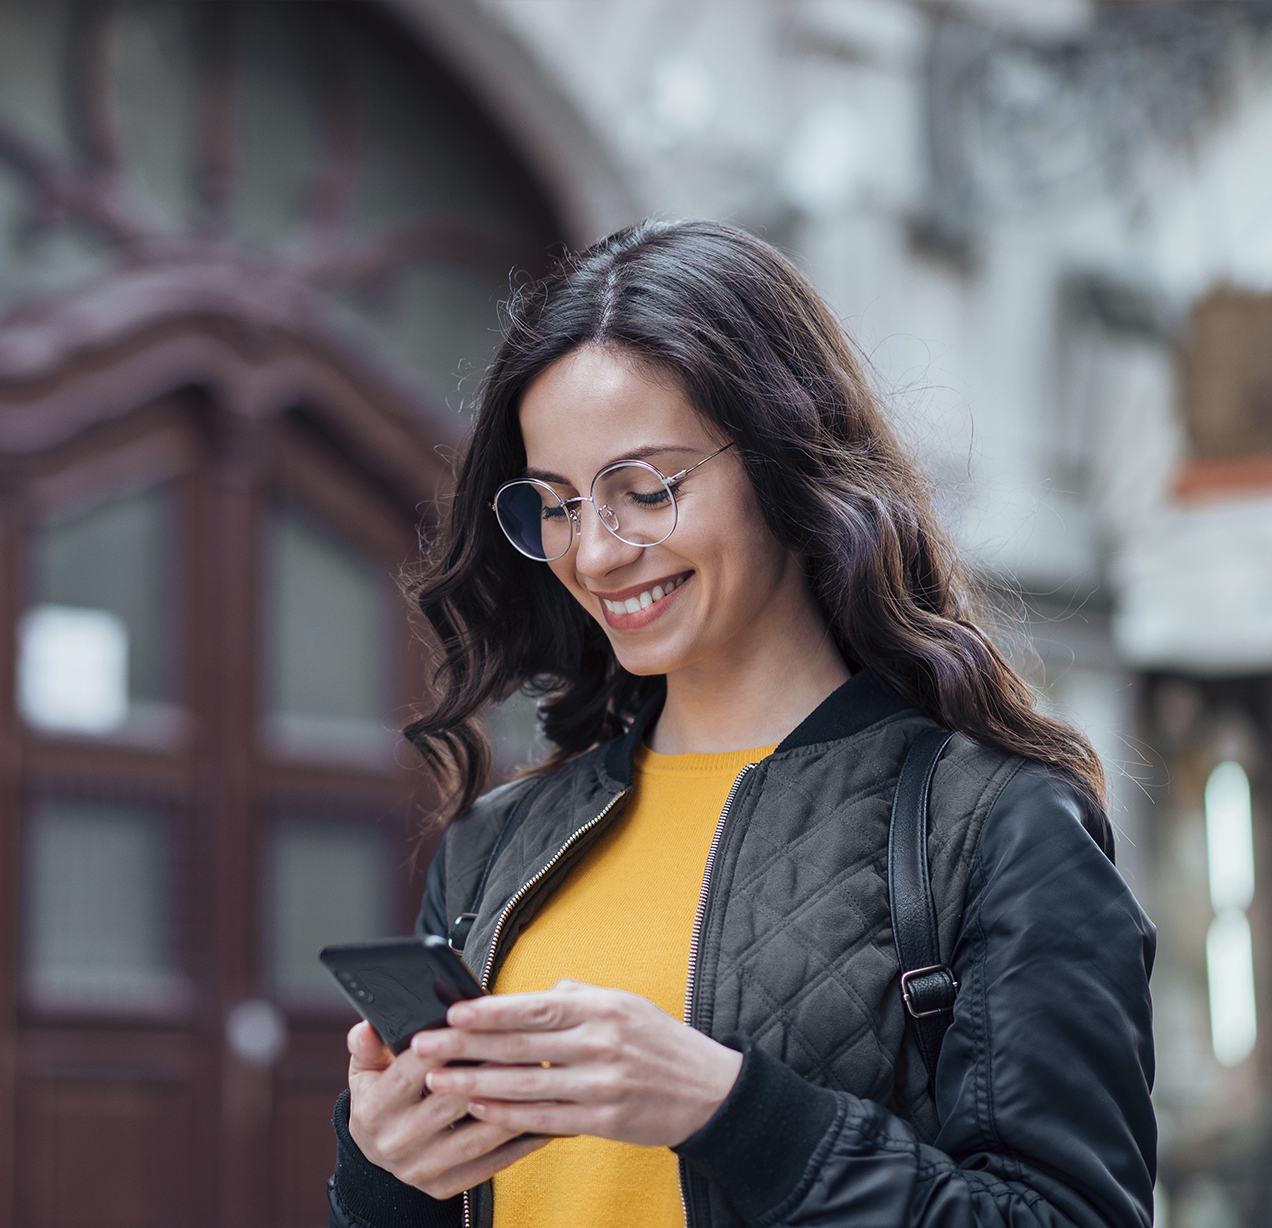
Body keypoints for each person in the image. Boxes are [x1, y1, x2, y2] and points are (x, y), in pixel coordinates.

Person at [325, 220, 1155, 1228]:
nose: (595, 552)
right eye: (556, 503)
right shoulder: (501, 844)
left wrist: (726, 1107)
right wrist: (384, 1175)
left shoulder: (991, 823)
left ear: (782, 459)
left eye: (645, 490)